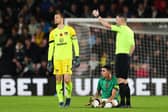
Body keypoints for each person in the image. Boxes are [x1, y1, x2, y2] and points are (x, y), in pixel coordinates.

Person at [92, 9, 135, 108]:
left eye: (116, 19)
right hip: (126, 56)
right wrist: (128, 57)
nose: (116, 20)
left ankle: (124, 103)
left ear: (121, 19)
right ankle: (127, 103)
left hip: (121, 56)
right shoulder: (130, 31)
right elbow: (133, 46)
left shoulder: (122, 28)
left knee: (120, 80)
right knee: (124, 80)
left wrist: (98, 17)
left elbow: (107, 25)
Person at [47, 12, 80, 107]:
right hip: (57, 59)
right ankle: (61, 100)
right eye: (54, 18)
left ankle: (68, 97)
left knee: (66, 79)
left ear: (62, 19)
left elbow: (75, 44)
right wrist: (49, 60)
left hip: (67, 58)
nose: (55, 19)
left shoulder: (70, 30)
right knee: (58, 79)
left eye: (57, 17)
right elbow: (51, 47)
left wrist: (77, 56)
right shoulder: (53, 33)